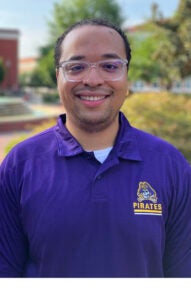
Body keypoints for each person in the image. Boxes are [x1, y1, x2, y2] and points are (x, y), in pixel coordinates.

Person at [0, 18, 191, 278]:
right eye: (76, 67)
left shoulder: (170, 164)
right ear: (58, 77)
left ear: (126, 77)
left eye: (110, 66)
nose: (92, 79)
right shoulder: (20, 164)